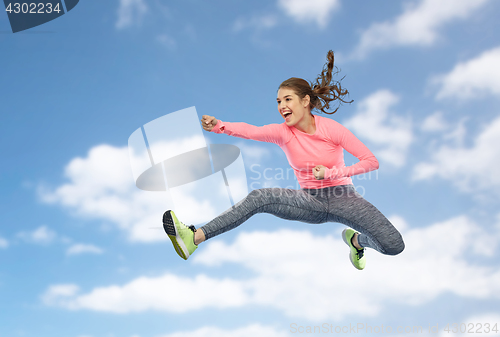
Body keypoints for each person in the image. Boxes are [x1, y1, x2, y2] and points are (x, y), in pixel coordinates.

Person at [162, 50, 404, 270]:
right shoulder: (282, 133)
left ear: (305, 101)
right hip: (310, 200)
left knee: (393, 245)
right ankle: (193, 238)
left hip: (344, 197)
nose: (282, 106)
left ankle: (355, 241)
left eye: (288, 99)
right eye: (279, 101)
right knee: (259, 197)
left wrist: (330, 174)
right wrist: (220, 126)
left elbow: (371, 162)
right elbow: (251, 130)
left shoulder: (332, 129)